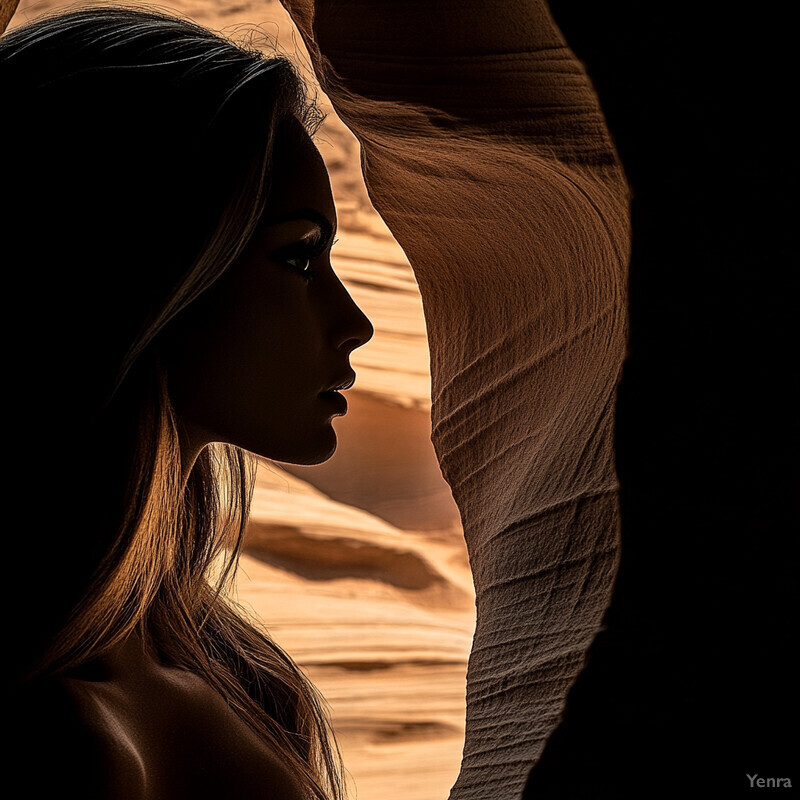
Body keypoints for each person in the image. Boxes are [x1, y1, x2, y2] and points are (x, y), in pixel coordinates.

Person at [4, 6, 371, 798]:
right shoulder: (56, 743)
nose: (355, 323)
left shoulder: (239, 669)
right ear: (154, 266)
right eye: (299, 258)